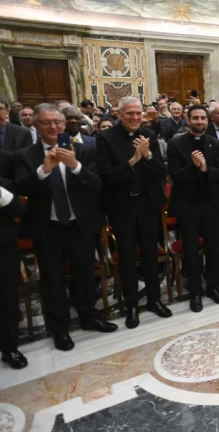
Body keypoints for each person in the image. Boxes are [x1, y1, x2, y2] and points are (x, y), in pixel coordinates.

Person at [15, 104, 117, 351]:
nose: (53, 127)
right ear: (36, 126)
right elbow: (21, 188)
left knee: (84, 274)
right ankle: (59, 329)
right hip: (47, 228)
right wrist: (44, 169)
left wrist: (74, 165)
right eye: (46, 123)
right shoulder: (26, 155)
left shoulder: (82, 151)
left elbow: (96, 186)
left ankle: (89, 316)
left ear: (64, 125)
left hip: (79, 225)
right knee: (53, 280)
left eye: (57, 122)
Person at [96, 97, 172, 329]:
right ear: (119, 114)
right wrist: (132, 161)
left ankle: (153, 300)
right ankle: (131, 306)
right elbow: (105, 177)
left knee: (150, 255)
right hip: (122, 207)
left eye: (138, 114)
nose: (135, 118)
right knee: (127, 258)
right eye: (130, 113)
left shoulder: (148, 136)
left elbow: (161, 172)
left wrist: (148, 155)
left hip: (148, 206)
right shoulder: (106, 138)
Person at [167, 105, 219, 310]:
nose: (200, 122)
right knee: (191, 250)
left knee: (212, 248)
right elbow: (175, 176)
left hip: (210, 203)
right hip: (187, 205)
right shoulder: (175, 143)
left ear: (207, 121)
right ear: (188, 119)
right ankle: (195, 292)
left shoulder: (215, 144)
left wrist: (205, 168)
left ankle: (213, 286)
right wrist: (193, 166)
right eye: (195, 118)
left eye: (203, 118)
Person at [0, 149, 27, 369]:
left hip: (4, 248)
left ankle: (9, 348)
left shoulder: (4, 184)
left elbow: (18, 210)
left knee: (7, 299)